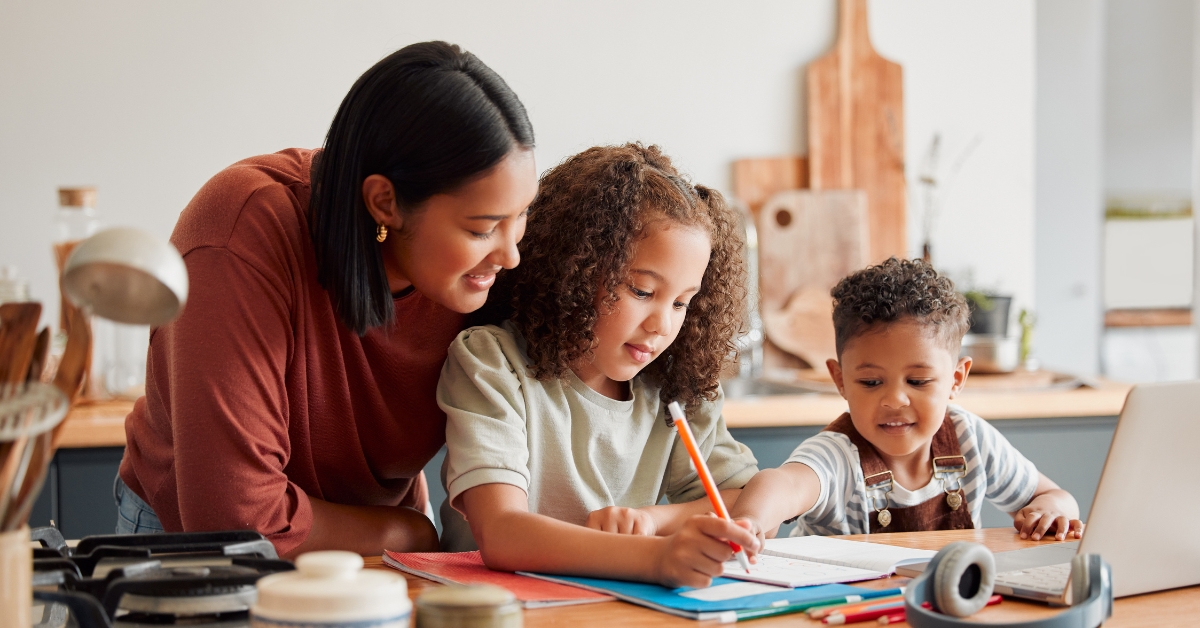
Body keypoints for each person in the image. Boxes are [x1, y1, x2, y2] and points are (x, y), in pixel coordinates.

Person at [115, 41, 538, 558]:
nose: (511, 255)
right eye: (482, 229)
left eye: (521, 215)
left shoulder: (474, 269)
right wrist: (411, 532)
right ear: (385, 202)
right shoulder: (239, 236)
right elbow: (238, 521)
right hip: (205, 551)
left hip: (376, 535)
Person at [437, 143, 761, 588]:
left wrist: (653, 520)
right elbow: (501, 533)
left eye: (682, 303)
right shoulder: (494, 364)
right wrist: (653, 556)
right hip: (490, 606)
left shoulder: (674, 390)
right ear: (576, 270)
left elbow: (744, 499)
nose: (662, 325)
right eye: (642, 291)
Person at [730, 258, 1085, 542]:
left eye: (918, 381)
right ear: (840, 380)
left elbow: (1053, 496)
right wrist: (751, 521)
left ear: (956, 379)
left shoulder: (969, 438)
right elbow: (784, 484)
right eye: (871, 382)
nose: (895, 399)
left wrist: (1051, 511)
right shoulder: (836, 456)